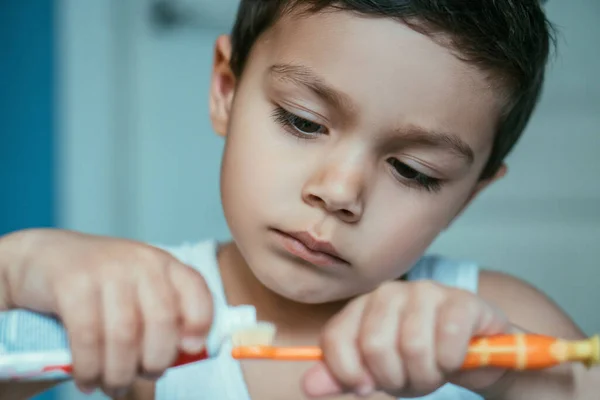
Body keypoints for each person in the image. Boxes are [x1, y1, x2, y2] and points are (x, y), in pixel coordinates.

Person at [0, 1, 597, 399]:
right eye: (304, 122)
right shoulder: (144, 311)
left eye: (415, 171)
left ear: (467, 196)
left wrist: (512, 377)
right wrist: (17, 269)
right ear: (226, 92)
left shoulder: (494, 320)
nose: (338, 193)